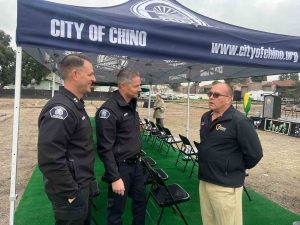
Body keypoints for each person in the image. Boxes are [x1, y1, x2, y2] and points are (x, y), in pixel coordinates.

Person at [38, 54, 96, 225]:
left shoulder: (74, 104)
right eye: (90, 74)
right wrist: (71, 192)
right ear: (75, 75)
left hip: (80, 186)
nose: (94, 78)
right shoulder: (61, 109)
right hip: (70, 192)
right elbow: (50, 159)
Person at [197, 83, 263, 225]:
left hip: (225, 185)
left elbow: (255, 154)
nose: (211, 97)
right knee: (208, 221)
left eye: (216, 95)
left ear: (228, 99)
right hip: (205, 179)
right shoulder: (206, 117)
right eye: (210, 94)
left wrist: (232, 167)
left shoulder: (240, 121)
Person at [95, 68, 146, 225]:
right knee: (116, 209)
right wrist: (115, 177)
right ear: (123, 85)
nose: (139, 89)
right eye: (136, 86)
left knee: (141, 202)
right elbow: (105, 148)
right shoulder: (108, 110)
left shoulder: (131, 103)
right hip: (120, 168)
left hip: (136, 165)